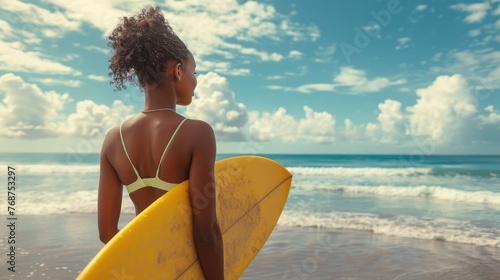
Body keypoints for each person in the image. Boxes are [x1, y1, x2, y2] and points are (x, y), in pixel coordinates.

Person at [97, 6, 224, 279]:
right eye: (195, 72)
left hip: (147, 269)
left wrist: (144, 267)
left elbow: (107, 232)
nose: (195, 81)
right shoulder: (198, 133)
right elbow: (205, 232)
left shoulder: (112, 140)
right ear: (177, 71)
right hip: (186, 267)